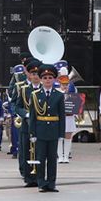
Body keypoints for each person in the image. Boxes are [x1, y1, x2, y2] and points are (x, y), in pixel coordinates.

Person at [30, 64, 65, 192]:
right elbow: (33, 116)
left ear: (54, 79)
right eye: (45, 78)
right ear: (40, 79)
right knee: (40, 158)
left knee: (52, 159)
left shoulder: (59, 95)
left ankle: (51, 183)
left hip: (54, 131)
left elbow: (61, 116)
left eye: (50, 77)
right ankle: (41, 182)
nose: (48, 80)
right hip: (40, 130)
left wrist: (61, 134)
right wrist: (32, 133)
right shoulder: (35, 95)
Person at [11, 59, 42, 188]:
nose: (35, 76)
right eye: (32, 74)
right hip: (27, 123)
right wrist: (25, 114)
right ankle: (27, 175)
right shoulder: (22, 88)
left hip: (41, 125)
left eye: (37, 74)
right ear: (28, 74)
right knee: (25, 150)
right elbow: (16, 105)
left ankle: (40, 175)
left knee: (40, 151)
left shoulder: (44, 87)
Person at [56, 71, 74, 163]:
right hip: (59, 118)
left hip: (69, 117)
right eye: (63, 84)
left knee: (68, 137)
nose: (65, 86)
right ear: (59, 83)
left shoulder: (72, 92)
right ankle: (60, 156)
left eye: (66, 84)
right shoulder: (57, 92)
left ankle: (66, 156)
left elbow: (76, 105)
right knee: (59, 137)